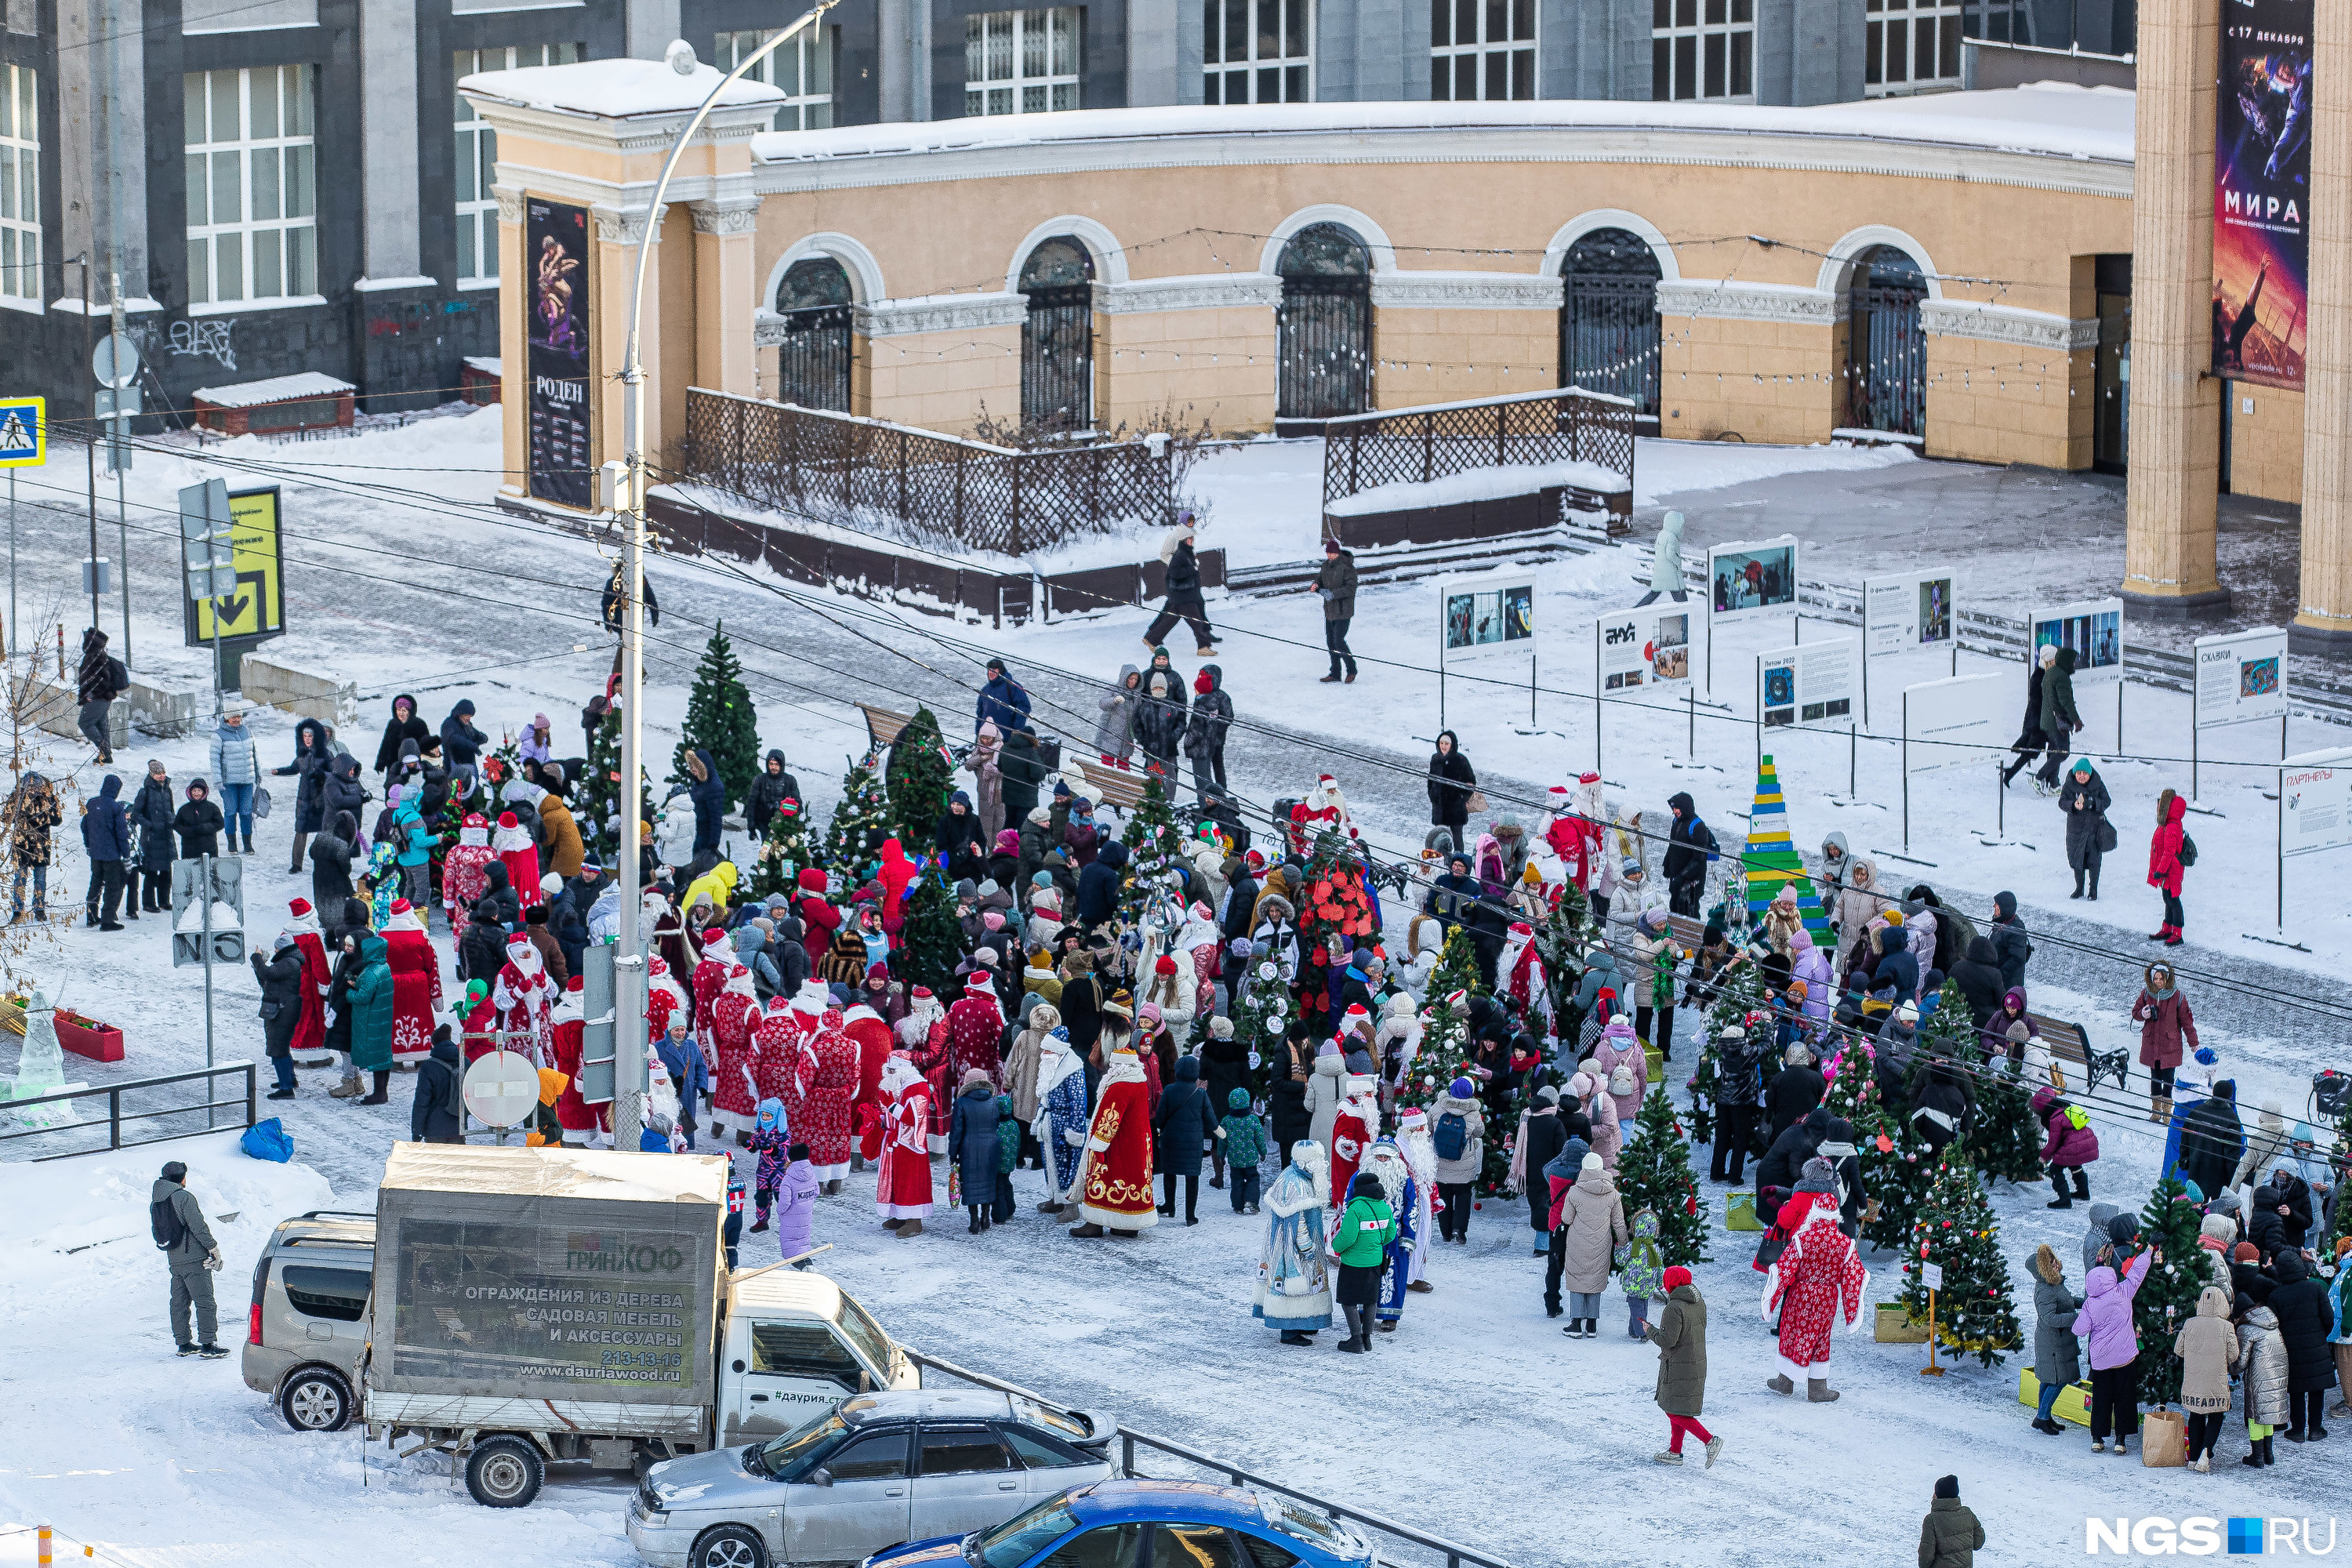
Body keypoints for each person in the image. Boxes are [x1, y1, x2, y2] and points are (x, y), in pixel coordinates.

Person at [1762, 1190, 1867, 1401]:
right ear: (1835, 1217)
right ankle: (1818, 1387)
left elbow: (1783, 1270)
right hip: (1827, 1298)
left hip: (1800, 1295)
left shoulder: (1802, 1239)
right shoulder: (1846, 1244)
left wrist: (1771, 1300)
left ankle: (1785, 1380)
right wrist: (1852, 1312)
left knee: (1793, 1333)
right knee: (1821, 1338)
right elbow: (1853, 1277)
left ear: (1815, 1214)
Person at [2072, 1243, 2156, 1452]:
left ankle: (2097, 1438)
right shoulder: (2123, 1292)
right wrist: (2149, 1250)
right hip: (2125, 1357)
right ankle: (2120, 1440)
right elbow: (2137, 1272)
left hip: (2101, 1361)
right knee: (2124, 1397)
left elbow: (2079, 1330)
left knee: (2101, 1398)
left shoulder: (2090, 1304)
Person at [1254, 1142, 1333, 1345]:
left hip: (1287, 1242)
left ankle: (1306, 1320)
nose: (1322, 1164)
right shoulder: (1295, 1184)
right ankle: (1290, 1330)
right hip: (1293, 1246)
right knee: (1294, 1277)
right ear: (1306, 1161)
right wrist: (1306, 1247)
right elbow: (1297, 1223)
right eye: (1317, 1160)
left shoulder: (1299, 1174)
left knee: (1306, 1281)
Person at [151, 1160, 224, 1356]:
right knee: (205, 1301)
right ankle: (208, 1345)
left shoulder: (157, 1201)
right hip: (194, 1258)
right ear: (182, 1179)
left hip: (174, 1258)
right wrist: (213, 1247)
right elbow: (198, 1226)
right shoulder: (183, 1197)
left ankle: (183, 1344)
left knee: (179, 1303)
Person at [1555, 1151, 1628, 1340]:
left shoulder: (1574, 1192)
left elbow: (1566, 1218)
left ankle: (1576, 1324)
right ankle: (1592, 1325)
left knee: (1577, 1279)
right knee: (1596, 1280)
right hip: (1601, 1244)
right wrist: (1624, 1243)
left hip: (1577, 1243)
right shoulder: (1613, 1194)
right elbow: (1618, 1223)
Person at [2174, 1284, 2241, 1472]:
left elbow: (2178, 1349)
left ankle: (2193, 1459)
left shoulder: (2189, 1324)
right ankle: (2206, 1451)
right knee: (2216, 1415)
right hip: (2216, 1381)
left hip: (2193, 1382)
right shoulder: (2226, 1327)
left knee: (2195, 1415)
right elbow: (2234, 1355)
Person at [2270, 1252, 2336, 1440]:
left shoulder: (2276, 1295)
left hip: (2291, 1350)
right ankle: (2316, 1428)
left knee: (2296, 1390)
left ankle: (2297, 1429)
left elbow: (2275, 1326)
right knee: (2317, 1388)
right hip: (2317, 1347)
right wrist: (2321, 1336)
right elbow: (2328, 1318)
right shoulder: (2315, 1288)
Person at [1331, 1168, 1395, 1352]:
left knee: (1348, 1300)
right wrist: (1375, 1243)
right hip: (1375, 1262)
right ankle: (1367, 1339)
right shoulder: (1384, 1207)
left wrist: (1336, 1247)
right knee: (1370, 1300)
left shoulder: (1356, 1208)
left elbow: (1348, 1237)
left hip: (1353, 1263)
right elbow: (1391, 1233)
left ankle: (1356, 1339)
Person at [2131, 961, 2197, 1124]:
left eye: (2161, 978)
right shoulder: (2147, 994)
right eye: (2156, 979)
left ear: (2167, 978)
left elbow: (2187, 1022)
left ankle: (2167, 1113)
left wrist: (2193, 1042)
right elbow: (2135, 1013)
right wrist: (2143, 1013)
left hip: (2170, 1046)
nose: (2158, 982)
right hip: (2152, 1044)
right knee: (2155, 1078)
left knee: (2168, 1080)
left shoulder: (2178, 997)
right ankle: (2156, 1112)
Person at [1154, 1054, 1217, 1225]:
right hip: (1193, 1142)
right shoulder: (1201, 1094)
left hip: (1171, 1140)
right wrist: (1220, 1131)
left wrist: (1160, 1127)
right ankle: (1190, 1216)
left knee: (1169, 1173)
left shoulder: (1169, 1090)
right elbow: (1210, 1119)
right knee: (1192, 1177)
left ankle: (1169, 1206)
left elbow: (1160, 1117)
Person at [2030, 1243, 2082, 1435]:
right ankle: (2042, 1418)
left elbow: (2066, 1301)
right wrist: (2076, 1318)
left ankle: (2044, 1416)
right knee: (2057, 1380)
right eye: (2051, 1263)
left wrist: (2084, 1303)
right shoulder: (2045, 1289)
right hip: (2052, 1342)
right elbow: (2050, 1318)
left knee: (2049, 1380)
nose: (2056, 1264)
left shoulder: (2054, 1283)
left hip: (2057, 1340)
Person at [1145, 514, 1217, 655]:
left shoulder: (1186, 551)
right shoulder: (1179, 549)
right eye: (1190, 538)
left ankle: (1152, 638)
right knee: (1194, 620)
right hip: (1184, 594)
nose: (1192, 540)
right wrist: (1192, 568)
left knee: (1171, 617)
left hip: (1186, 593)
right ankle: (1203, 645)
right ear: (1184, 540)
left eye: (1192, 521)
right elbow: (1172, 567)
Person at [272, 717, 334, 875]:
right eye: (305, 736)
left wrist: (321, 775)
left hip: (320, 799)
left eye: (310, 736)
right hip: (304, 798)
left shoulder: (325, 755)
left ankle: (324, 861)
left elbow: (334, 772)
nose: (307, 739)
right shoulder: (301, 755)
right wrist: (279, 771)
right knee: (300, 830)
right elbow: (294, 769)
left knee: (323, 830)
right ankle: (296, 864)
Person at [1429, 1077, 1484, 1243]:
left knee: (1443, 1195)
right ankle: (1458, 1230)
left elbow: (1429, 1127)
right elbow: (1480, 1132)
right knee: (1463, 1195)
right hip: (1463, 1161)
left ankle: (1445, 1233)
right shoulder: (1473, 1112)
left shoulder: (1438, 1106)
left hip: (1441, 1159)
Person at [948, 1068, 1001, 1233]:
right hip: (992, 1146)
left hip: (969, 1146)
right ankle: (986, 1218)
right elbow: (996, 1122)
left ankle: (974, 1222)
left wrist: (952, 1152)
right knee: (988, 1181)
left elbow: (956, 1130)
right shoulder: (994, 1101)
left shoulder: (961, 1102)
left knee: (971, 1184)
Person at [2241, 1287, 2289, 1468]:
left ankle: (2258, 1457)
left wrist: (2231, 1369)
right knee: (2268, 1412)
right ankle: (2269, 1454)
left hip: (2258, 1376)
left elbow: (2241, 1362)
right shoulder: (2272, 1324)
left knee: (2254, 1415)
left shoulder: (2246, 1329)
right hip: (2277, 1373)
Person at [5, 770, 59, 921]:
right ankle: (17, 910)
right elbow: (6, 817)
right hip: (21, 844)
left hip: (41, 845)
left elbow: (57, 821)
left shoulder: (47, 798)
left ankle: (39, 908)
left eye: (35, 787)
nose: (33, 790)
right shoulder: (17, 797)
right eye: (30, 787)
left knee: (40, 879)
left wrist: (51, 804)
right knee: (20, 879)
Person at [79, 773, 129, 930]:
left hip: (95, 853)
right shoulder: (115, 807)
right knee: (112, 886)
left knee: (95, 883)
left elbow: (84, 827)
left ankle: (91, 916)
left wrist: (88, 845)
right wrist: (126, 855)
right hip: (112, 855)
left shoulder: (91, 803)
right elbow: (121, 833)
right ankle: (108, 920)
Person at [207, 710, 260, 857]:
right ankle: (232, 843)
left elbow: (254, 755)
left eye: (238, 716)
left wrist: (258, 773)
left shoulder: (247, 731)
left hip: (247, 781)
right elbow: (215, 760)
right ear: (227, 718)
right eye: (233, 717)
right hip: (228, 782)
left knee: (246, 812)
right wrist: (218, 780)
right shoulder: (219, 735)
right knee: (230, 812)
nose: (236, 719)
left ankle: (247, 843)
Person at [2002, 646, 2051, 788]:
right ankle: (2048, 779)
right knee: (2036, 750)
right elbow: (2037, 700)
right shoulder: (2040, 676)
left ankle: (2011, 773)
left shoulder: (2041, 674)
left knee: (2034, 751)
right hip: (2037, 722)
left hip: (2037, 721)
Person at [130, 760, 175, 917]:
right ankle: (149, 902)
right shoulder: (145, 792)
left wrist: (172, 820)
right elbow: (136, 815)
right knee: (151, 871)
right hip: (151, 837)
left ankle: (164, 900)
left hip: (166, 835)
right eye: (157, 773)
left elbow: (171, 809)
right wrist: (150, 824)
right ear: (151, 774)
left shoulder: (167, 790)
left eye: (162, 773)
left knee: (166, 871)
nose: (161, 776)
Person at [1182, 664, 1232, 803]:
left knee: (1212, 773)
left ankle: (1215, 801)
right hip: (1202, 744)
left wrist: (1214, 732)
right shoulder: (1201, 694)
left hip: (1211, 743)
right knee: (1206, 775)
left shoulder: (1220, 697)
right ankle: (1214, 800)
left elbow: (1227, 718)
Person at [1663, 792, 1715, 917]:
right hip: (1676, 878)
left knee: (1689, 912)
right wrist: (1667, 864)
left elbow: (1699, 857)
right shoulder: (1676, 822)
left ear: (1685, 807)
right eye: (1674, 808)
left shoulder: (1698, 826)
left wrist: (1683, 875)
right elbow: (1672, 846)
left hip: (1692, 882)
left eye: (1678, 808)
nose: (1675, 811)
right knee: (1674, 908)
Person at [2035, 644, 2081, 789]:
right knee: (2063, 752)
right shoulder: (2062, 677)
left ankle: (2053, 783)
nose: (2074, 664)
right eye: (2073, 661)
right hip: (2057, 723)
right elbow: (2065, 702)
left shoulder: (2051, 673)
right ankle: (2040, 776)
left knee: (2054, 751)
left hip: (2048, 721)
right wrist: (2076, 720)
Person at [78, 626, 124, 763]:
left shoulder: (94, 656)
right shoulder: (99, 654)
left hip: (98, 697)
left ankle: (104, 750)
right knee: (101, 724)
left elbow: (98, 679)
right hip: (105, 697)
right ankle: (106, 756)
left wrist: (90, 694)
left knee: (85, 723)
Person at [1315, 536, 1358, 684]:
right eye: (1328, 554)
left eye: (1332, 554)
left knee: (1338, 641)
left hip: (1343, 611)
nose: (1329, 556)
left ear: (1338, 553)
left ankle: (1352, 670)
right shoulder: (1326, 566)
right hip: (1330, 611)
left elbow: (1350, 588)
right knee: (1330, 642)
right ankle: (1335, 672)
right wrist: (1316, 585)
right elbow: (1319, 579)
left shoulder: (1347, 567)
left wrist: (1333, 594)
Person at [411, 1025, 464, 1143]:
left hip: (434, 1131)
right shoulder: (465, 1062)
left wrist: (416, 1131)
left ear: (433, 1045)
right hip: (458, 1129)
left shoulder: (428, 1067)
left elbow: (421, 1102)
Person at [1217, 1087, 1265, 1214]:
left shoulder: (1226, 1121)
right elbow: (1259, 1138)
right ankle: (1251, 1200)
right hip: (1250, 1159)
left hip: (1234, 1159)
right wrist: (1263, 1152)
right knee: (1253, 1178)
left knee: (1236, 1180)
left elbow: (1222, 1140)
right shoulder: (1253, 1120)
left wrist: (1221, 1155)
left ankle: (1238, 1206)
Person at [2149, 787, 2188, 943]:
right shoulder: (2170, 824)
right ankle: (2167, 928)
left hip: (2171, 871)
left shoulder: (2172, 826)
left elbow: (2169, 852)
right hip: (2169, 870)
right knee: (2168, 898)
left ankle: (2177, 933)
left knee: (2173, 900)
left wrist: (2160, 871)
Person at [1918, 1477, 1984, 1568]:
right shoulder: (1967, 1513)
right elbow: (1978, 1542)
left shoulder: (1931, 1520)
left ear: (1936, 1495)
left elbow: (1926, 1556)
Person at [372, 694, 432, 793]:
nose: (401, 713)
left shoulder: (419, 724)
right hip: (394, 764)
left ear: (410, 711)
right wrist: (380, 764)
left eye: (404, 710)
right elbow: (386, 744)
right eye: (399, 710)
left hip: (413, 764)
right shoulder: (392, 724)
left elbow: (427, 745)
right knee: (394, 790)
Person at [1427, 731, 1476, 842]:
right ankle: (1440, 859)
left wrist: (1463, 798)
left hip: (1456, 809)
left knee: (1457, 839)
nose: (1444, 746)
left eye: (1447, 744)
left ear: (1452, 745)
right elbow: (1430, 780)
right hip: (1440, 808)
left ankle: (1458, 859)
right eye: (1442, 743)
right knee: (1439, 839)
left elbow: (1471, 782)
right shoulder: (1435, 759)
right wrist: (1433, 796)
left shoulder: (1461, 760)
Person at [1635, 510, 1687, 606]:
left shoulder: (1662, 533)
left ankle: (1638, 608)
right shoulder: (1672, 537)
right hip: (1671, 572)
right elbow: (1670, 554)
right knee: (1679, 592)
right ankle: (1685, 613)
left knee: (1654, 593)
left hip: (1660, 570)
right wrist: (1678, 561)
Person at [976, 657, 1031, 735]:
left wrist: (1017, 729)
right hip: (986, 738)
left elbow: (1023, 707)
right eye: (989, 670)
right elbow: (979, 713)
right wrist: (978, 732)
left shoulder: (1012, 687)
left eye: (994, 670)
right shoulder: (985, 689)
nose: (991, 673)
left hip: (1006, 738)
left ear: (1001, 672)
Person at [174, 779, 224, 862]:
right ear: (190, 792)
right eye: (194, 790)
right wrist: (188, 831)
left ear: (204, 792)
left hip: (208, 847)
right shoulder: (184, 809)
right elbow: (177, 825)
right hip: (189, 848)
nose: (196, 793)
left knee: (209, 872)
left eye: (199, 790)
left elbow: (220, 823)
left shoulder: (212, 807)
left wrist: (204, 828)